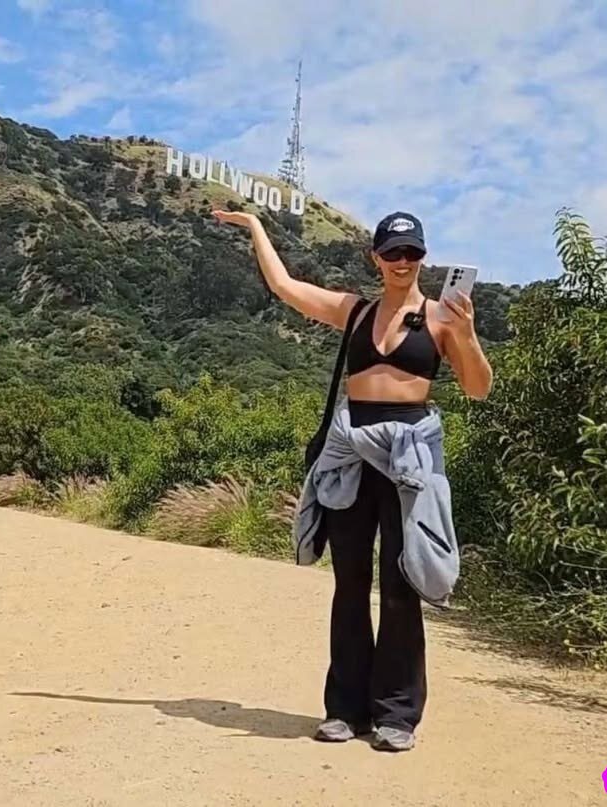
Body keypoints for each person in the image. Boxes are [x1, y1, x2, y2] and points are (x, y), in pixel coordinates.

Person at [211, 207, 493, 752]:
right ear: (375, 258)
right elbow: (286, 286)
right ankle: (344, 709)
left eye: (411, 253)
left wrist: (468, 333)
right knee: (349, 583)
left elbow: (478, 388)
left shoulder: (442, 319)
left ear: (423, 258)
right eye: (392, 252)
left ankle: (397, 715)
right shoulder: (356, 312)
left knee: (401, 585)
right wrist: (255, 227)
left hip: (409, 457)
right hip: (351, 451)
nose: (402, 262)